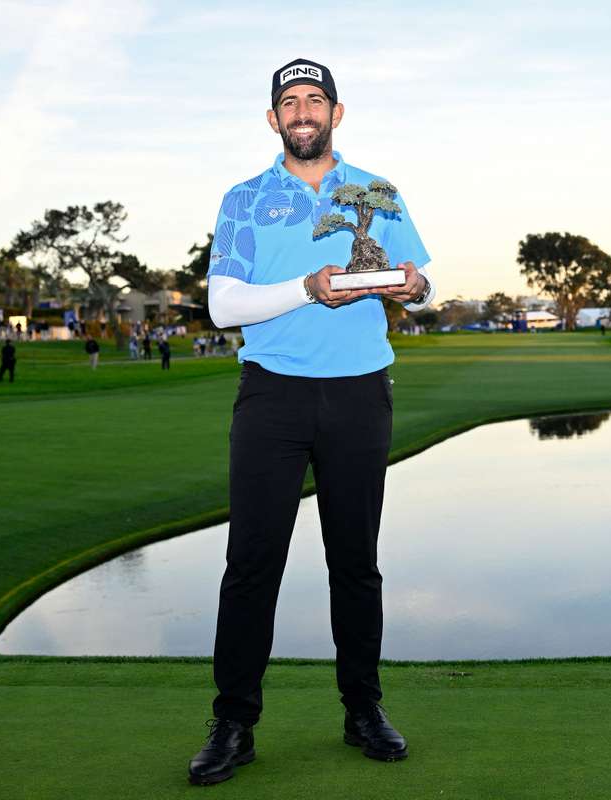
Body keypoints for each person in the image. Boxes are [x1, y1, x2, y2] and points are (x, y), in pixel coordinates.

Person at [187, 57, 436, 787]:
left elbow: (418, 282)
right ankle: (234, 723)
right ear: (273, 119)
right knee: (252, 563)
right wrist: (306, 288)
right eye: (289, 102)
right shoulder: (244, 198)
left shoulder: (377, 193)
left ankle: (363, 711)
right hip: (274, 396)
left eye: (314, 100)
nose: (302, 111)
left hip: (360, 393)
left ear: (336, 112)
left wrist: (417, 287)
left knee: (355, 562)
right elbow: (223, 306)